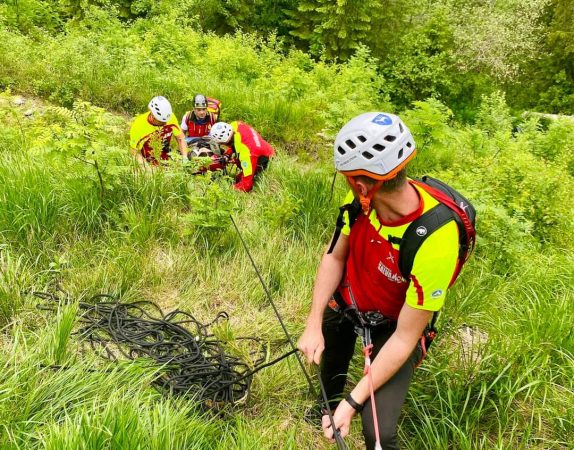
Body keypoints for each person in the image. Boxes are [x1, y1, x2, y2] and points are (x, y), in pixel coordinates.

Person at [297, 112, 461, 449]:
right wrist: (312, 323)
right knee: (329, 344)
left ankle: (343, 410)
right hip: (351, 301)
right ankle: (326, 407)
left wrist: (354, 404)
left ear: (362, 183)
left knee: (378, 434)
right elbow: (334, 256)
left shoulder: (436, 238)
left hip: (395, 325)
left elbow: (404, 337)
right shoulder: (361, 201)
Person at [208, 121, 275, 192]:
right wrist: (227, 155)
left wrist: (228, 189)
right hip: (264, 148)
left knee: (238, 178)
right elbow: (238, 141)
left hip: (267, 160)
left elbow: (246, 186)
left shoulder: (246, 154)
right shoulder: (235, 125)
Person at [129, 96, 188, 165]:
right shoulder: (139, 125)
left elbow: (180, 138)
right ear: (153, 116)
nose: (165, 123)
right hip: (147, 161)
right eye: (162, 122)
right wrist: (146, 168)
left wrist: (184, 157)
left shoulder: (170, 117)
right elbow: (133, 151)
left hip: (166, 159)